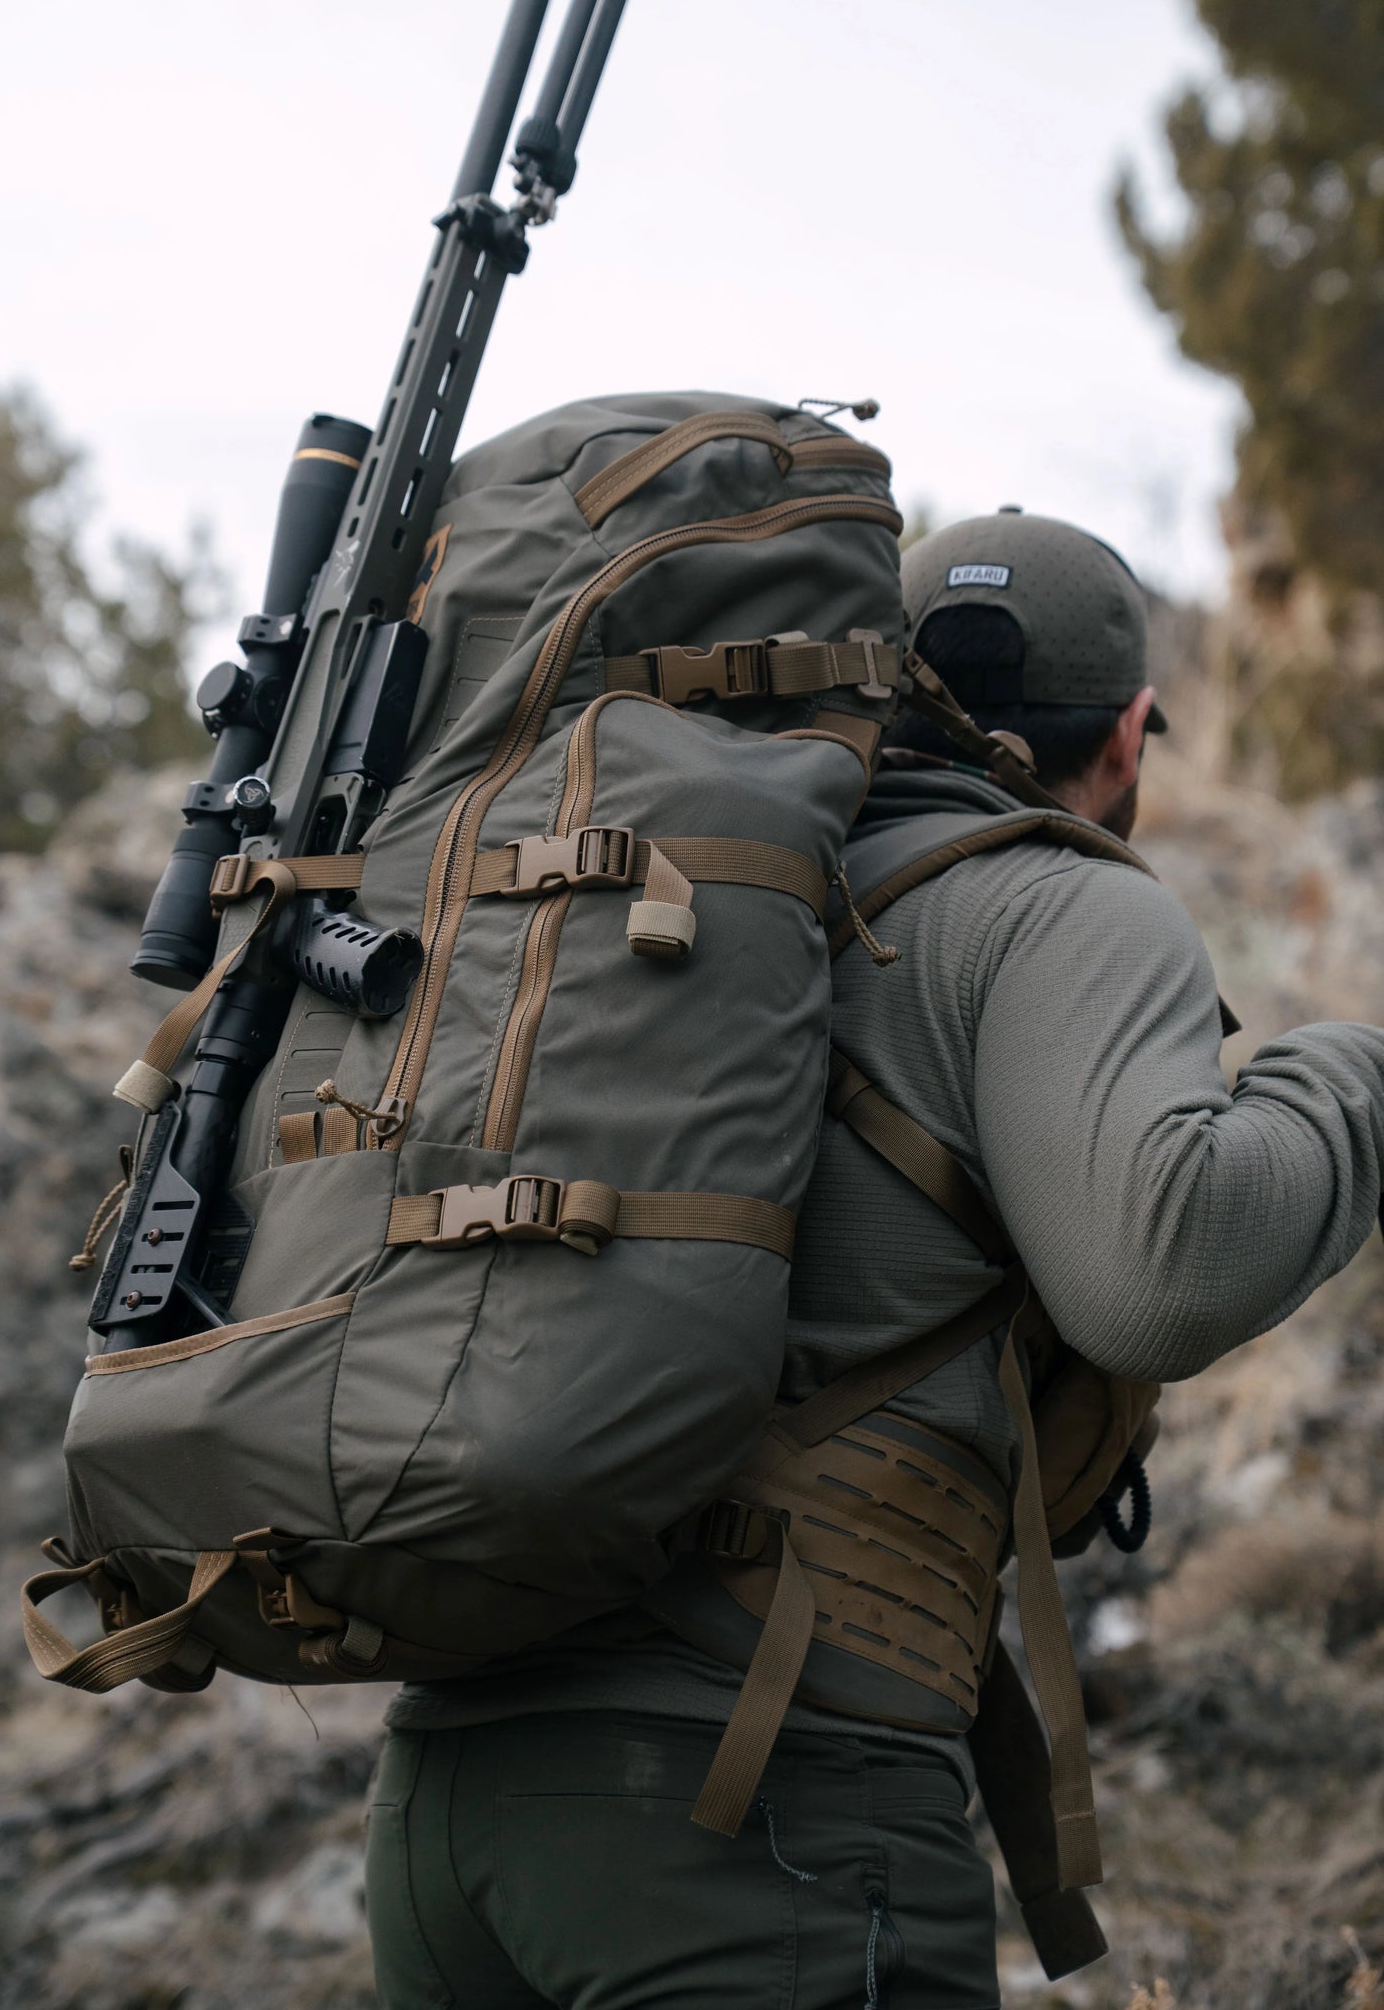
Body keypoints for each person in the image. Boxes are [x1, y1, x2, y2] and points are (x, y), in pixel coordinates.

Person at [364, 509, 1384, 2010]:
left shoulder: (684, 893)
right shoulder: (1055, 901)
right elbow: (1162, 1272)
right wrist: (1347, 1078)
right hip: (757, 1808)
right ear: (1129, 736)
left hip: (446, 1803)